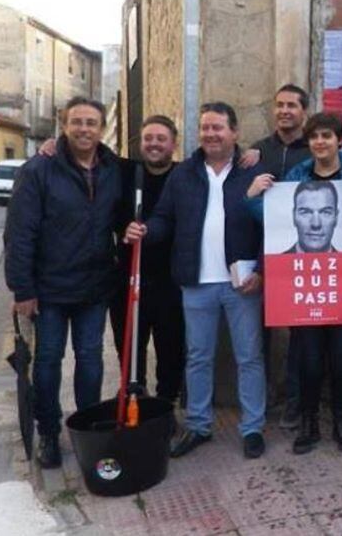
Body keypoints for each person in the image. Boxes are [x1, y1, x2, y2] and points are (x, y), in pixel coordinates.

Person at [124, 102, 267, 460]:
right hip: (196, 281)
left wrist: (263, 270)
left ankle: (252, 428)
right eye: (205, 127)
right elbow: (164, 218)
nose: (210, 134)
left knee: (249, 357)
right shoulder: (184, 174)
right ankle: (199, 425)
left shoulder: (253, 170)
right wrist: (145, 230)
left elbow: (272, 226)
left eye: (218, 127)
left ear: (234, 132)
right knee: (198, 357)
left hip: (242, 282)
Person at [246, 112, 342, 455]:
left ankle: (341, 421)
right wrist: (253, 198)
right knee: (308, 357)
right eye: (314, 137)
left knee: (341, 356)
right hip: (302, 283)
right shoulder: (297, 175)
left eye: (327, 136)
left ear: (340, 140)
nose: (320, 142)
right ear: (309, 143)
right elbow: (274, 220)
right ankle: (309, 422)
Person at [4, 97, 122, 469]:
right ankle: (50, 433)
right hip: (49, 289)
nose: (84, 129)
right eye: (77, 122)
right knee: (48, 362)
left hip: (93, 287)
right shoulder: (39, 169)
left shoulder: (114, 169)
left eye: (91, 123)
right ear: (64, 125)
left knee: (90, 360)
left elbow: (155, 175)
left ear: (102, 129)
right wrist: (22, 289)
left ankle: (87, 428)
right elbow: (19, 233)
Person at [111, 115, 185, 406]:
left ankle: (165, 408)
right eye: (148, 139)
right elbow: (89, 150)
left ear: (174, 144)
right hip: (128, 278)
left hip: (171, 280)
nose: (154, 144)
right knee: (129, 352)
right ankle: (134, 402)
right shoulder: (123, 172)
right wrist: (54, 144)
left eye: (161, 139)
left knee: (171, 351)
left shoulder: (185, 174)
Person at [251, 84, 311, 430]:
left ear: (304, 111)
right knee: (259, 333)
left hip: (302, 257)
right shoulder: (257, 151)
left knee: (298, 337)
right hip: (264, 254)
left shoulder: (314, 150)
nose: (285, 110)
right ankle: (259, 398)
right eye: (279, 105)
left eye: (291, 105)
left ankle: (294, 401)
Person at [286, 180, 340, 253]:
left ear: (336, 217)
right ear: (294, 216)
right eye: (306, 212)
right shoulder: (276, 263)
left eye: (325, 212)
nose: (316, 224)